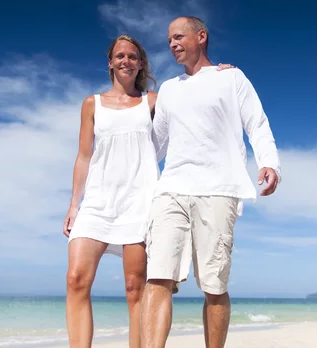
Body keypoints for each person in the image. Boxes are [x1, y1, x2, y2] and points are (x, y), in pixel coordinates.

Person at [62, 34, 235, 348]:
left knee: (135, 288)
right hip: (97, 202)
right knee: (76, 279)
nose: (125, 61)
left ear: (140, 63)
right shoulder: (92, 104)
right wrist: (75, 204)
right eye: (119, 56)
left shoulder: (152, 101)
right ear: (110, 63)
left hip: (141, 200)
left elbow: (193, 98)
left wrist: (218, 75)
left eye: (132, 56)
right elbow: (84, 155)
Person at [141, 16, 281, 348]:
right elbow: (154, 145)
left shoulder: (231, 78)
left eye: (178, 37)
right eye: (169, 40)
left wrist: (270, 163)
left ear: (200, 36)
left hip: (219, 190)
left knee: (214, 286)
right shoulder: (170, 90)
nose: (172, 44)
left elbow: (257, 123)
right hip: (171, 190)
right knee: (157, 277)